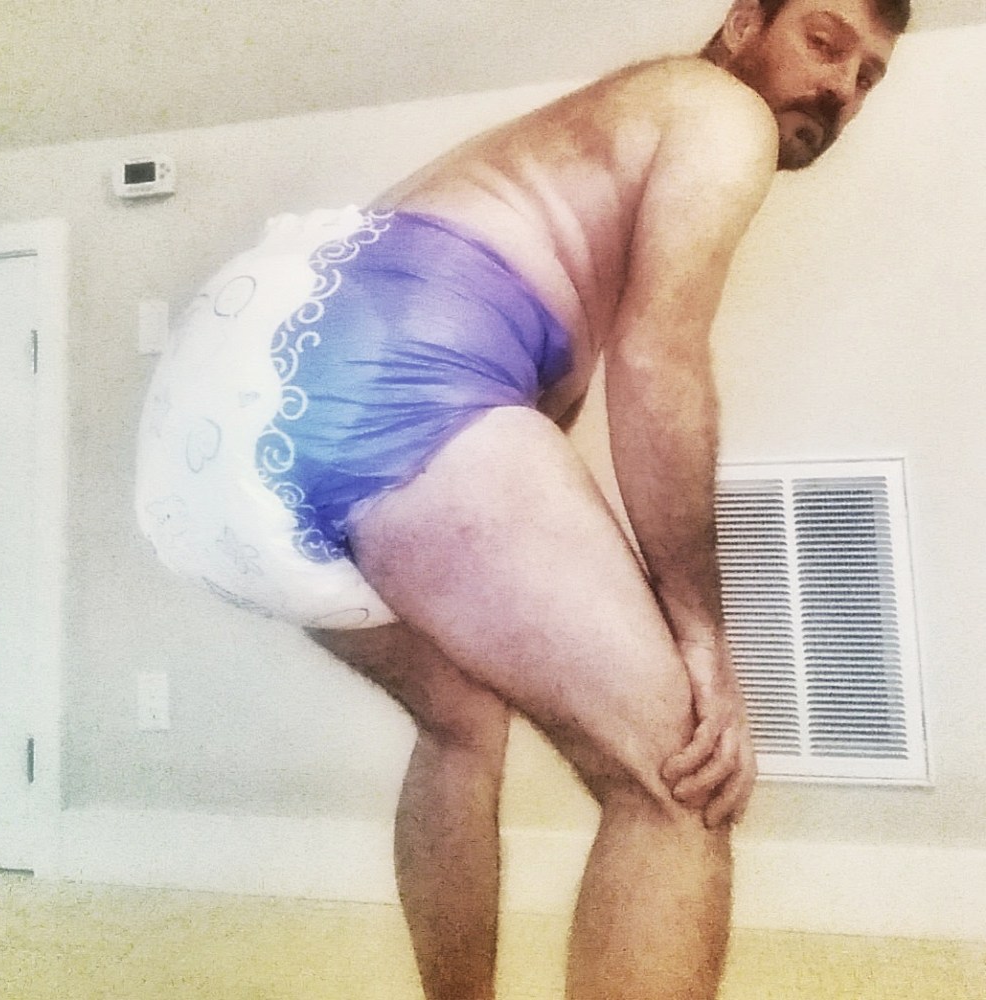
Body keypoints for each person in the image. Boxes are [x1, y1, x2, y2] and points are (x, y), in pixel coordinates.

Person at [135, 1, 907, 997]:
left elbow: (535, 463)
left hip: (230, 408)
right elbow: (658, 362)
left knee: (459, 719)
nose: (840, 89)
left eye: (867, 77)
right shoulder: (721, 110)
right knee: (678, 779)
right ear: (744, 23)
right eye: (824, 42)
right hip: (386, 359)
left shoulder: (585, 157)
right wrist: (703, 640)